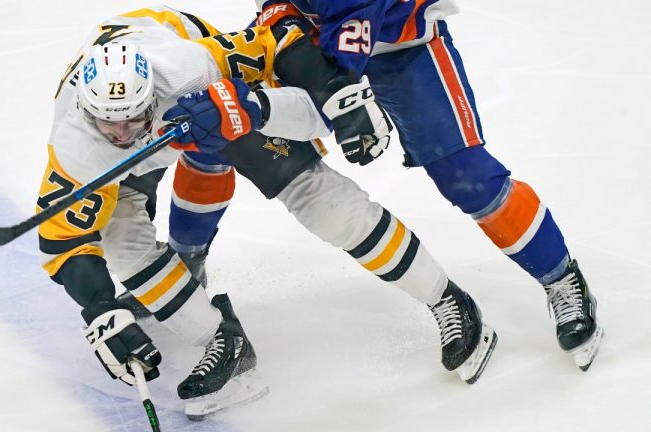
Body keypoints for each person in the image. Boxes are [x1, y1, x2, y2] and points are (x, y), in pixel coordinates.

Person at [38, 5, 498, 421]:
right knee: (117, 236)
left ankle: (447, 298)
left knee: (323, 201)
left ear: (151, 99)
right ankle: (223, 344)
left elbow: (281, 49)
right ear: (85, 109)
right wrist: (99, 308)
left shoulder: (189, 70)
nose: (121, 136)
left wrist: (285, 103)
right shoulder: (78, 143)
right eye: (108, 123)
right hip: (144, 107)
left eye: (131, 120)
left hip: (205, 98)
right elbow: (64, 242)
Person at [181, 0, 603, 370]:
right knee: (223, 129)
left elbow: (352, 17)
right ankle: (445, 300)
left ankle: (560, 277)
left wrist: (339, 97)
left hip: (405, 49)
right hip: (314, 54)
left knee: (468, 178)